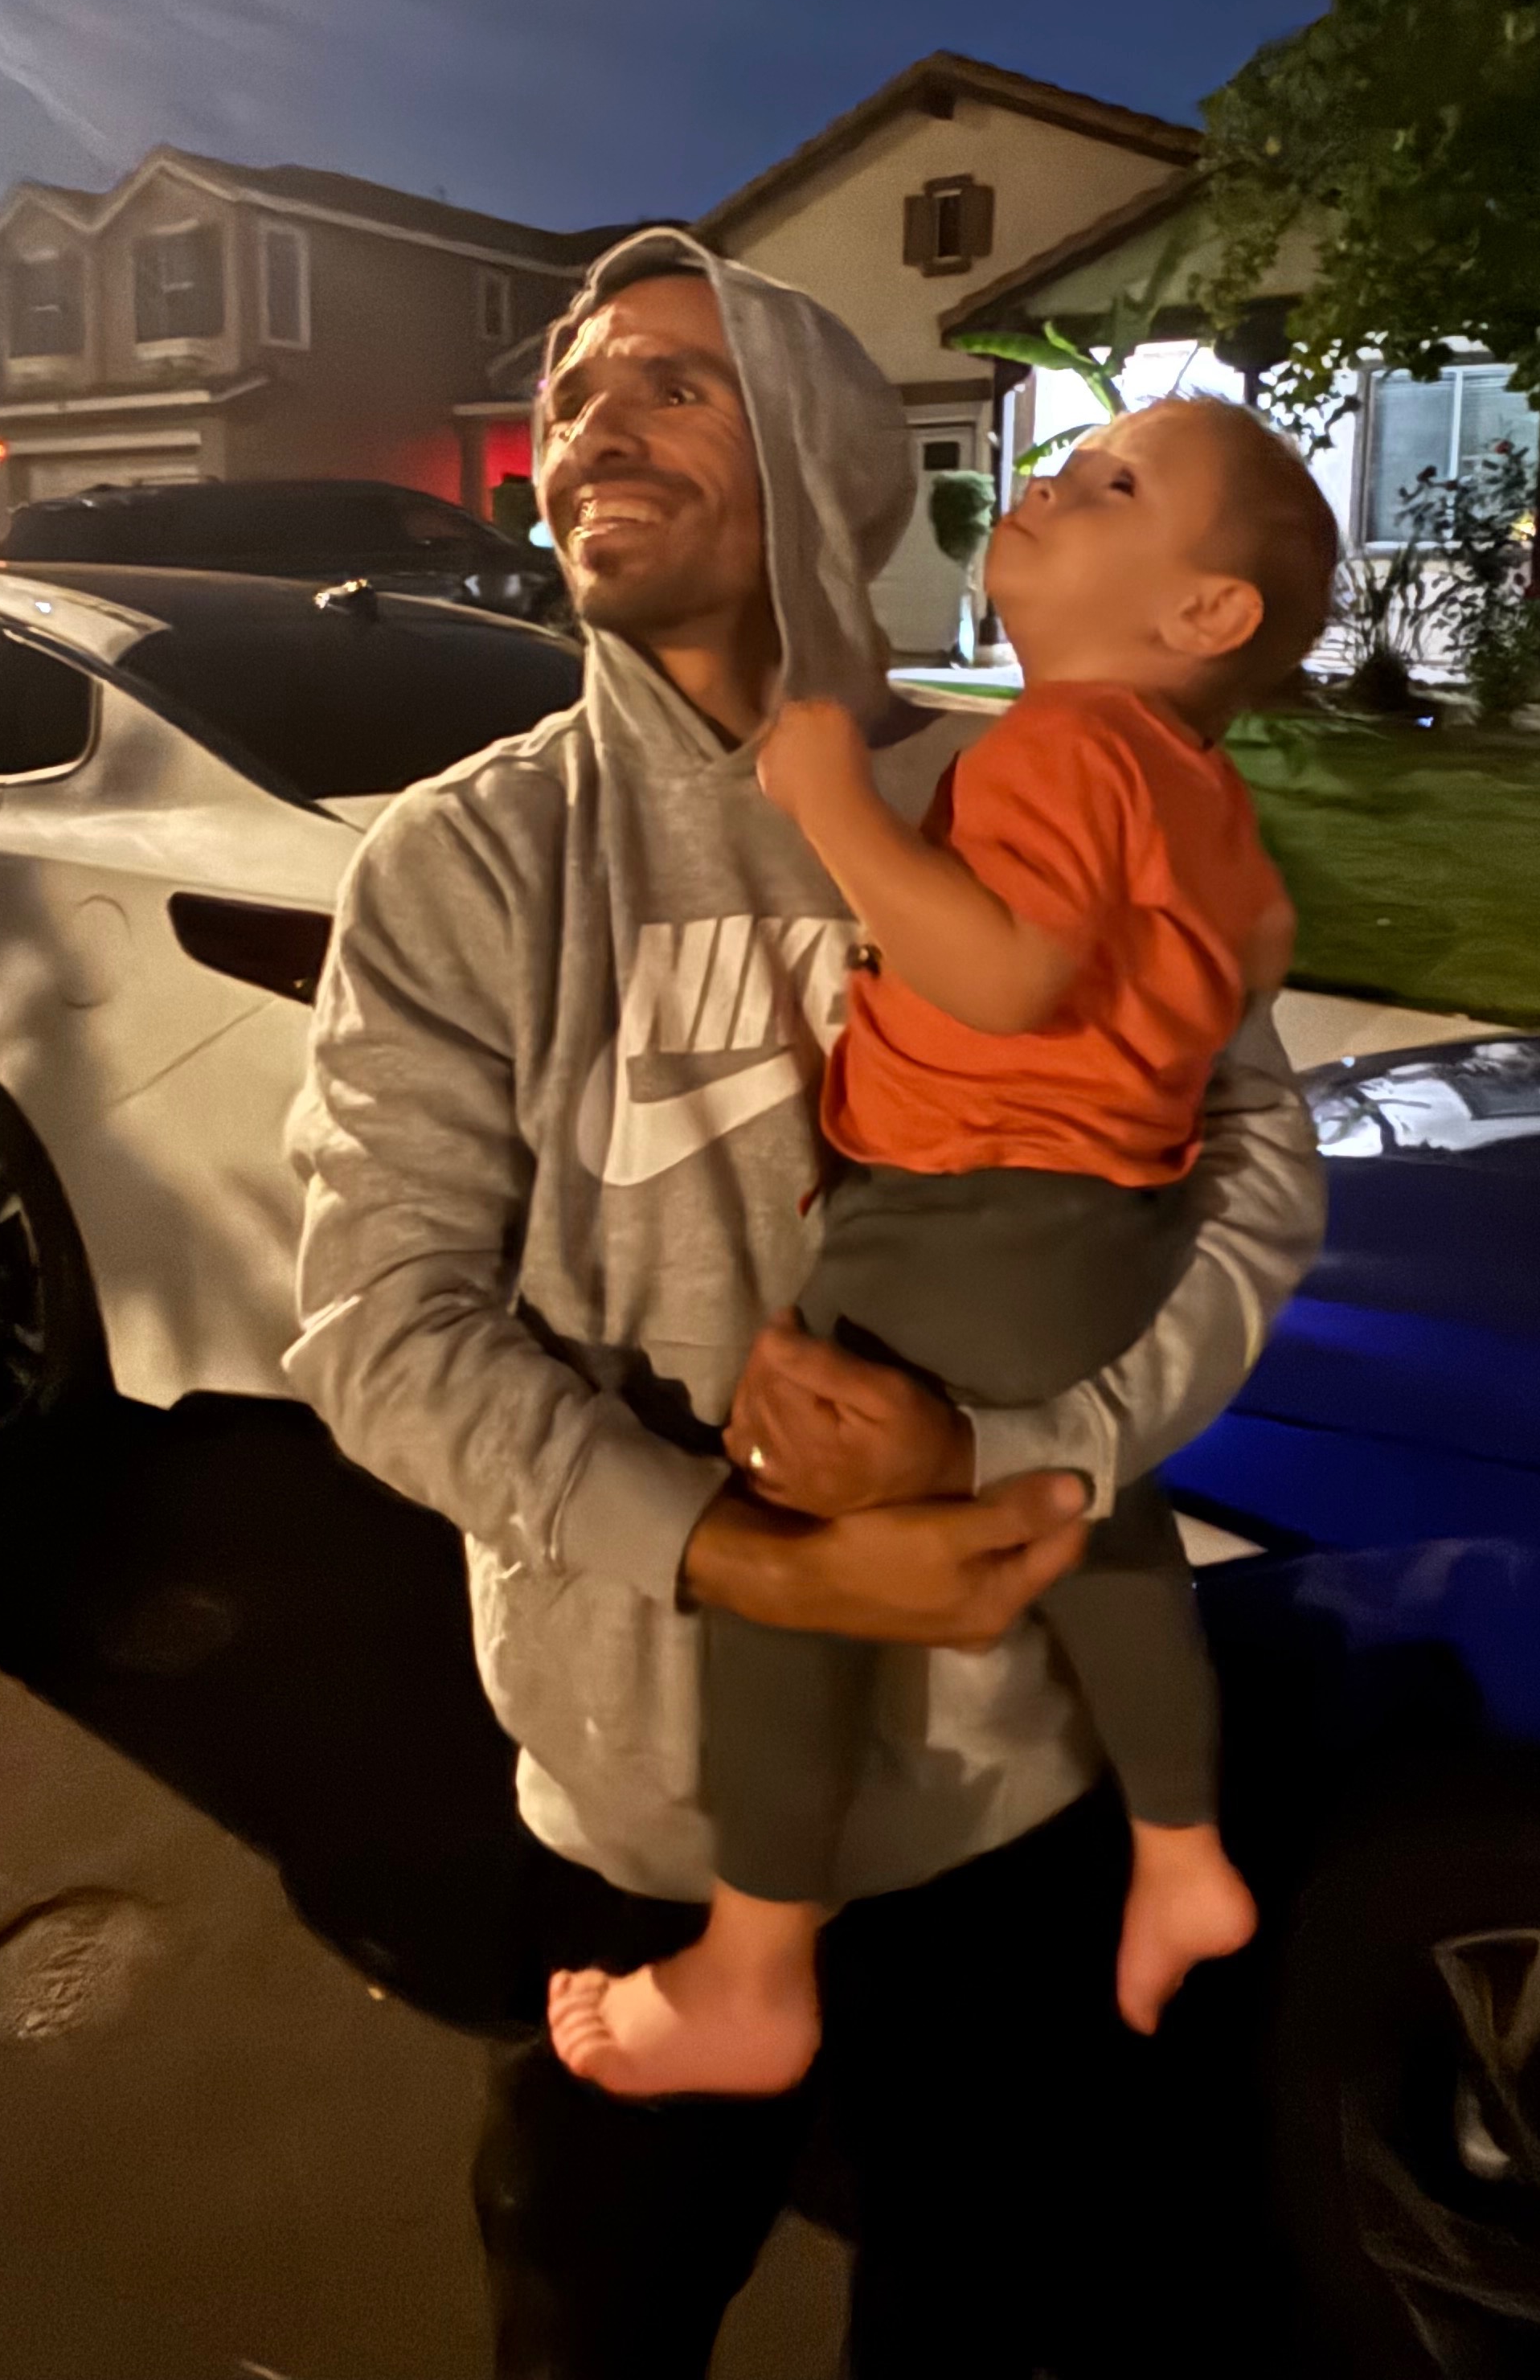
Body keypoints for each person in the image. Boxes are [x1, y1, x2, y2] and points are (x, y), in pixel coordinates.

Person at [285, 231, 1327, 2379]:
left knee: (993, 2321)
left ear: (827, 459)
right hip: (646, 1809)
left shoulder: (1036, 784)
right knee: (594, 2324)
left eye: (675, 384)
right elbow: (377, 1324)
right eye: (576, 390)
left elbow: (1251, 1185)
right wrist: (757, 1561)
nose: (594, 423)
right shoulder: (464, 865)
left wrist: (1015, 1457)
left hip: (999, 1806)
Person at [547, 397, 1332, 2102]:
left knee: (789, 1527)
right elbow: (1258, 946)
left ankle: (755, 1965)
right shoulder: (1194, 782)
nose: (1049, 478)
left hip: (958, 1210)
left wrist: (835, 804)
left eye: (1110, 481)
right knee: (1099, 1512)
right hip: (1105, 1227)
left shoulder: (1062, 743)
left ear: (1206, 612)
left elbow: (1003, 977)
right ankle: (1182, 1845)